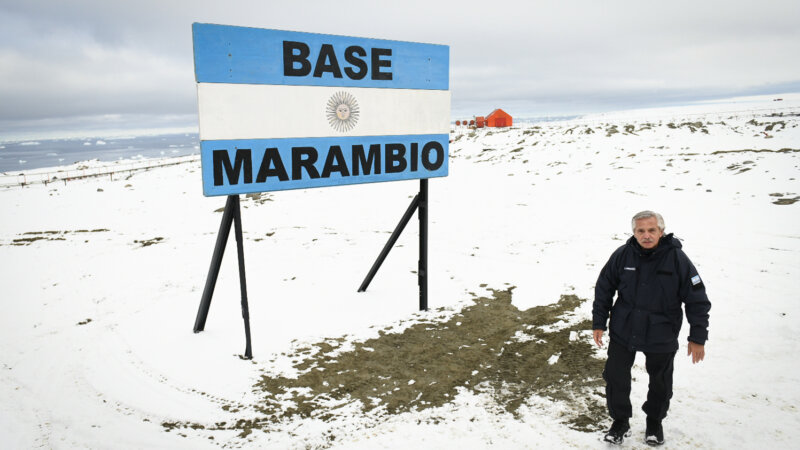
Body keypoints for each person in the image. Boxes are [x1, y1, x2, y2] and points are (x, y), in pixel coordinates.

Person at [592, 211, 711, 446]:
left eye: (651, 230)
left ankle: (654, 422)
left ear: (661, 231)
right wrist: (599, 322)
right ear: (634, 233)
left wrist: (698, 336)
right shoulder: (623, 255)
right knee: (616, 377)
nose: (646, 235)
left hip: (661, 331)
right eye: (640, 231)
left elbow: (697, 299)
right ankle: (620, 421)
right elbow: (604, 287)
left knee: (660, 381)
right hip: (624, 329)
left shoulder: (677, 259)